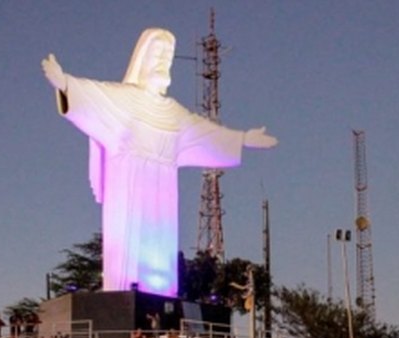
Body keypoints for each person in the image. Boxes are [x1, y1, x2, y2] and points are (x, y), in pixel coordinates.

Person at [41, 28, 277, 295]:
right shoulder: (122, 99)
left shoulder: (173, 112)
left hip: (163, 191)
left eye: (169, 55)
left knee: (161, 258)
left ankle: (161, 295)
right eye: (158, 53)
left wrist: (243, 138)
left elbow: (206, 134)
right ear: (142, 57)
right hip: (128, 185)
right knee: (129, 252)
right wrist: (65, 84)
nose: (164, 60)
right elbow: (92, 96)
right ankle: (124, 291)